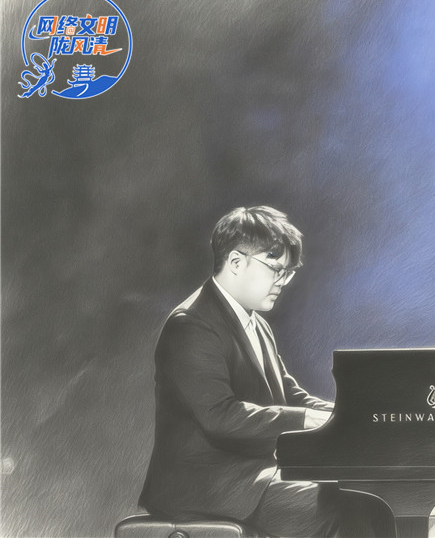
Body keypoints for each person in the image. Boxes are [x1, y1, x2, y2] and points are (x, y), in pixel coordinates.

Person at [139, 206, 352, 537]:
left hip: (249, 478)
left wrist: (350, 415)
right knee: (338, 505)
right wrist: (306, 419)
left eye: (287, 273)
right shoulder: (191, 324)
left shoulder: (257, 324)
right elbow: (220, 416)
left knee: (360, 497)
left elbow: (289, 394)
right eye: (275, 269)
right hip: (204, 487)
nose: (282, 282)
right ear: (236, 262)